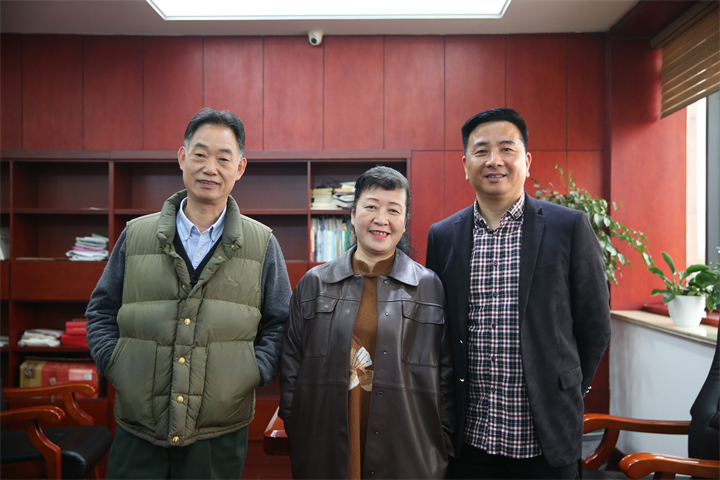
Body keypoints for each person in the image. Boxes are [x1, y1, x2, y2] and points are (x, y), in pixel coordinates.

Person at [86, 108, 291, 479]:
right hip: (138, 428)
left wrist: (252, 370)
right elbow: (101, 310)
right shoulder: (136, 235)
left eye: (223, 158)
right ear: (182, 157)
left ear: (240, 168)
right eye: (200, 154)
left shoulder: (262, 244)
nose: (210, 168)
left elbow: (281, 324)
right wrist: (115, 362)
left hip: (218, 434)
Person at [426, 108, 611, 479]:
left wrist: (565, 386)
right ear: (465, 165)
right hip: (470, 440)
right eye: (481, 151)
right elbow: (438, 331)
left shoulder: (568, 227)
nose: (494, 160)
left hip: (545, 439)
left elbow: (595, 324)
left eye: (506, 149)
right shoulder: (443, 236)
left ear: (526, 161)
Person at [279, 166, 455, 479]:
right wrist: (300, 428)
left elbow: (446, 374)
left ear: (404, 221)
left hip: (408, 453)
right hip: (324, 448)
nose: (381, 219)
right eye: (371, 206)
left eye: (393, 210)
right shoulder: (313, 284)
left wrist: (440, 442)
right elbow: (291, 366)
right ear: (352, 214)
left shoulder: (429, 287)